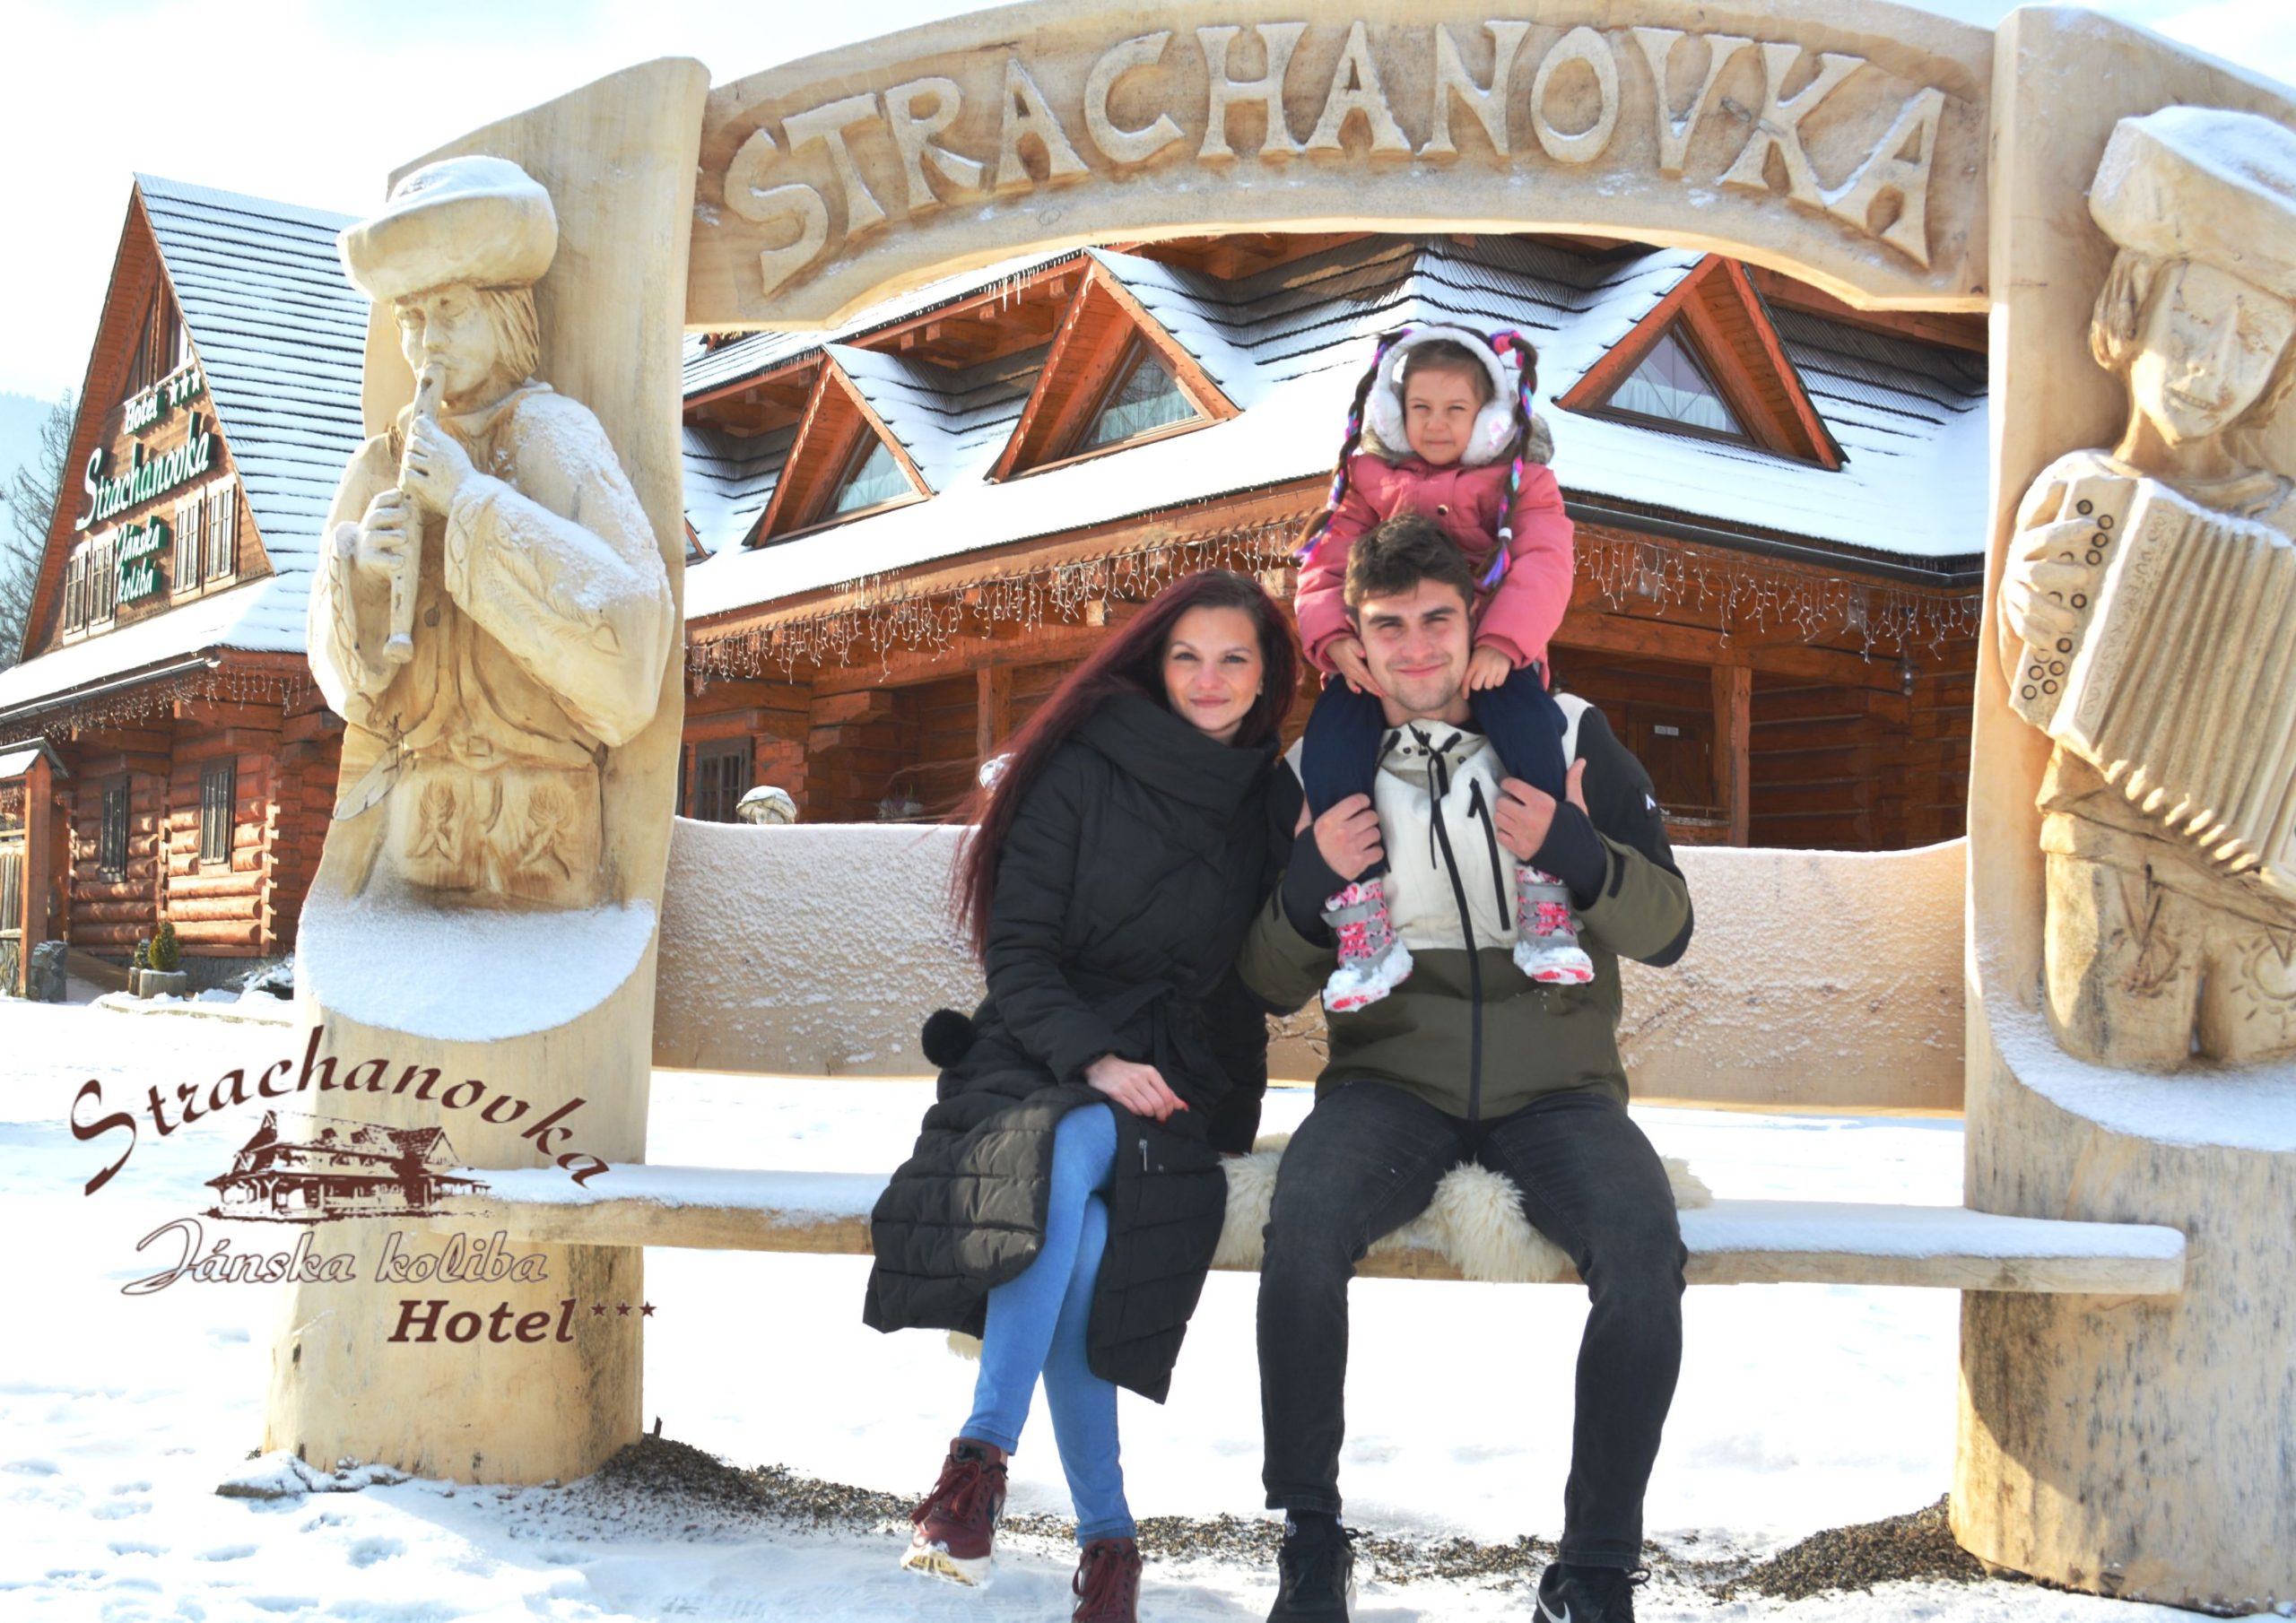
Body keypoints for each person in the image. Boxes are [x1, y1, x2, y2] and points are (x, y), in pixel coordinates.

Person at [1240, 516, 1694, 1623]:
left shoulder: (1570, 735)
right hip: (1388, 1088)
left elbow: (1669, 928)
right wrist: (1308, 881)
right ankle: (1310, 1538)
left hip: (1561, 1091)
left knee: (1643, 1250)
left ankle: (1593, 1571)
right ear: (1354, 638)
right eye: (1387, 625)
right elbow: (1262, 979)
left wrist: (1575, 851)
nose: (1414, 647)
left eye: (1436, 618)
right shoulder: (1315, 770)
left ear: (1476, 619)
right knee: (1303, 1220)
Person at [861, 569, 1301, 1623]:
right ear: (1156, 661)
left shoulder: (1268, 801)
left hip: (1178, 1081)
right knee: (1072, 1199)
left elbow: (1258, 984)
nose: (1208, 678)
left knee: (1079, 1214)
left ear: (1267, 677)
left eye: (1233, 658)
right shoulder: (1081, 765)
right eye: (1187, 655)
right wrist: (1093, 1058)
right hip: (1038, 1056)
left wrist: (1224, 1111)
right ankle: (1076, 1525)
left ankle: (992, 1487)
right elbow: (1018, 952)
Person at [309, 155, 675, 910]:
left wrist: (473, 502)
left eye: (451, 311)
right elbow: (338, 683)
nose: (429, 342)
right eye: (412, 319)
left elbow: (635, 648)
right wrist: (363, 576)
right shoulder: (382, 463)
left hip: (548, 845)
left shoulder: (555, 436)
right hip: (414, 843)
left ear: (506, 314)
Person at [1292, 324, 1584, 1012]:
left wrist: (1503, 641)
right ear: (1395, 413)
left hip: (1493, 653)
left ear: (1488, 417)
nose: (1436, 424)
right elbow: (1325, 562)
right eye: (1420, 408)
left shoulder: (1520, 481)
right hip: (1380, 663)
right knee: (1331, 744)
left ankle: (1544, 894)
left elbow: (1545, 564)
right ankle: (1360, 912)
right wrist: (1334, 639)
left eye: (1456, 409)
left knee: (1533, 732)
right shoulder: (1367, 480)